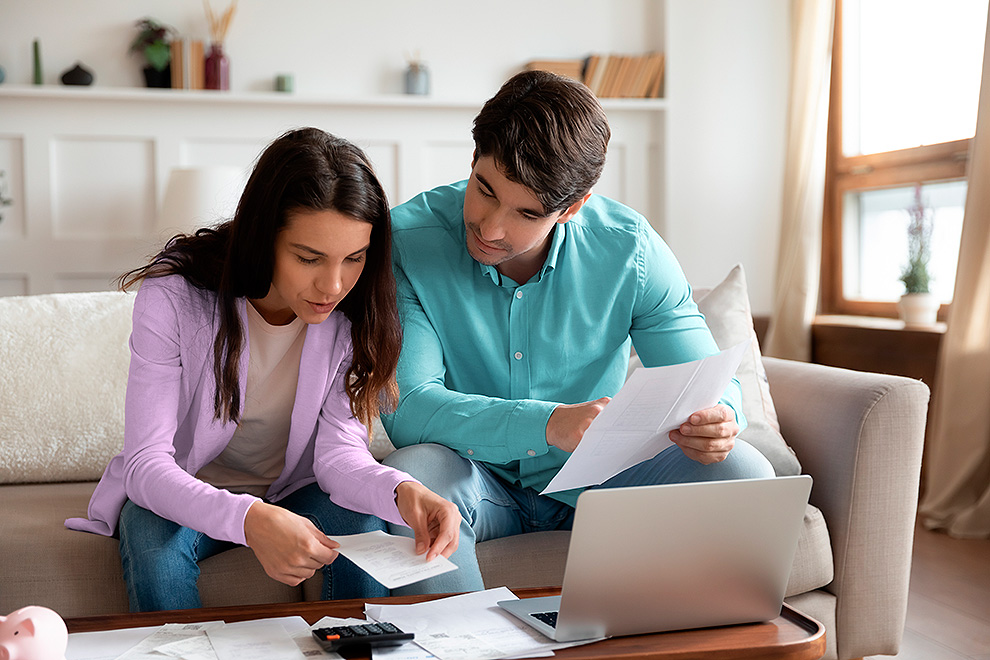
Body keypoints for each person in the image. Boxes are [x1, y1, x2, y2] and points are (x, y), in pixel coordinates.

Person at [380, 71, 775, 594]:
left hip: (601, 479)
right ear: (473, 160)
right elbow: (409, 410)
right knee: (411, 472)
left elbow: (704, 380)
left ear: (573, 207)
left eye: (526, 212)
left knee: (744, 473)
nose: (491, 227)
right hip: (471, 475)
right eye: (485, 189)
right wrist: (549, 424)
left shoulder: (630, 251)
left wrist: (719, 417)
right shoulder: (407, 242)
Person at [65, 127, 460, 612]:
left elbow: (340, 456)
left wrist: (405, 492)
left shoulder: (354, 313)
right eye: (308, 258)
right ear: (263, 237)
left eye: (353, 258)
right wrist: (251, 518)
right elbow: (148, 465)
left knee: (362, 523)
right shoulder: (173, 298)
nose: (333, 284)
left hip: (294, 492)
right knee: (152, 540)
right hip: (184, 488)